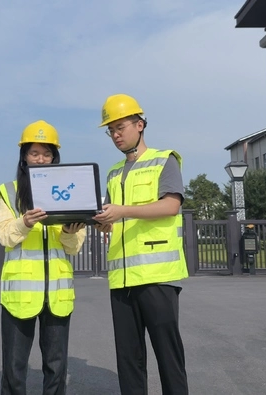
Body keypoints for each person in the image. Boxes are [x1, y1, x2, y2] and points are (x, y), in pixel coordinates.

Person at [93, 95, 189, 395]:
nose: (116, 135)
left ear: (140, 124)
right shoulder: (113, 173)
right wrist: (103, 221)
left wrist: (122, 210)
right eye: (111, 130)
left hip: (157, 276)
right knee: (128, 358)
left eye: (120, 127)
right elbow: (113, 218)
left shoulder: (164, 160)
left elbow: (171, 206)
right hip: (122, 279)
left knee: (168, 355)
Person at [0, 120, 87, 395]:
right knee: (14, 365)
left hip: (58, 294)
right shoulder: (9, 192)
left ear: (55, 158)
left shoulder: (69, 192)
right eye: (34, 153)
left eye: (47, 154)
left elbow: (73, 247)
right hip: (20, 295)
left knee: (56, 365)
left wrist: (69, 232)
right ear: (24, 156)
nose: (41, 159)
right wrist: (24, 222)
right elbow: (4, 236)